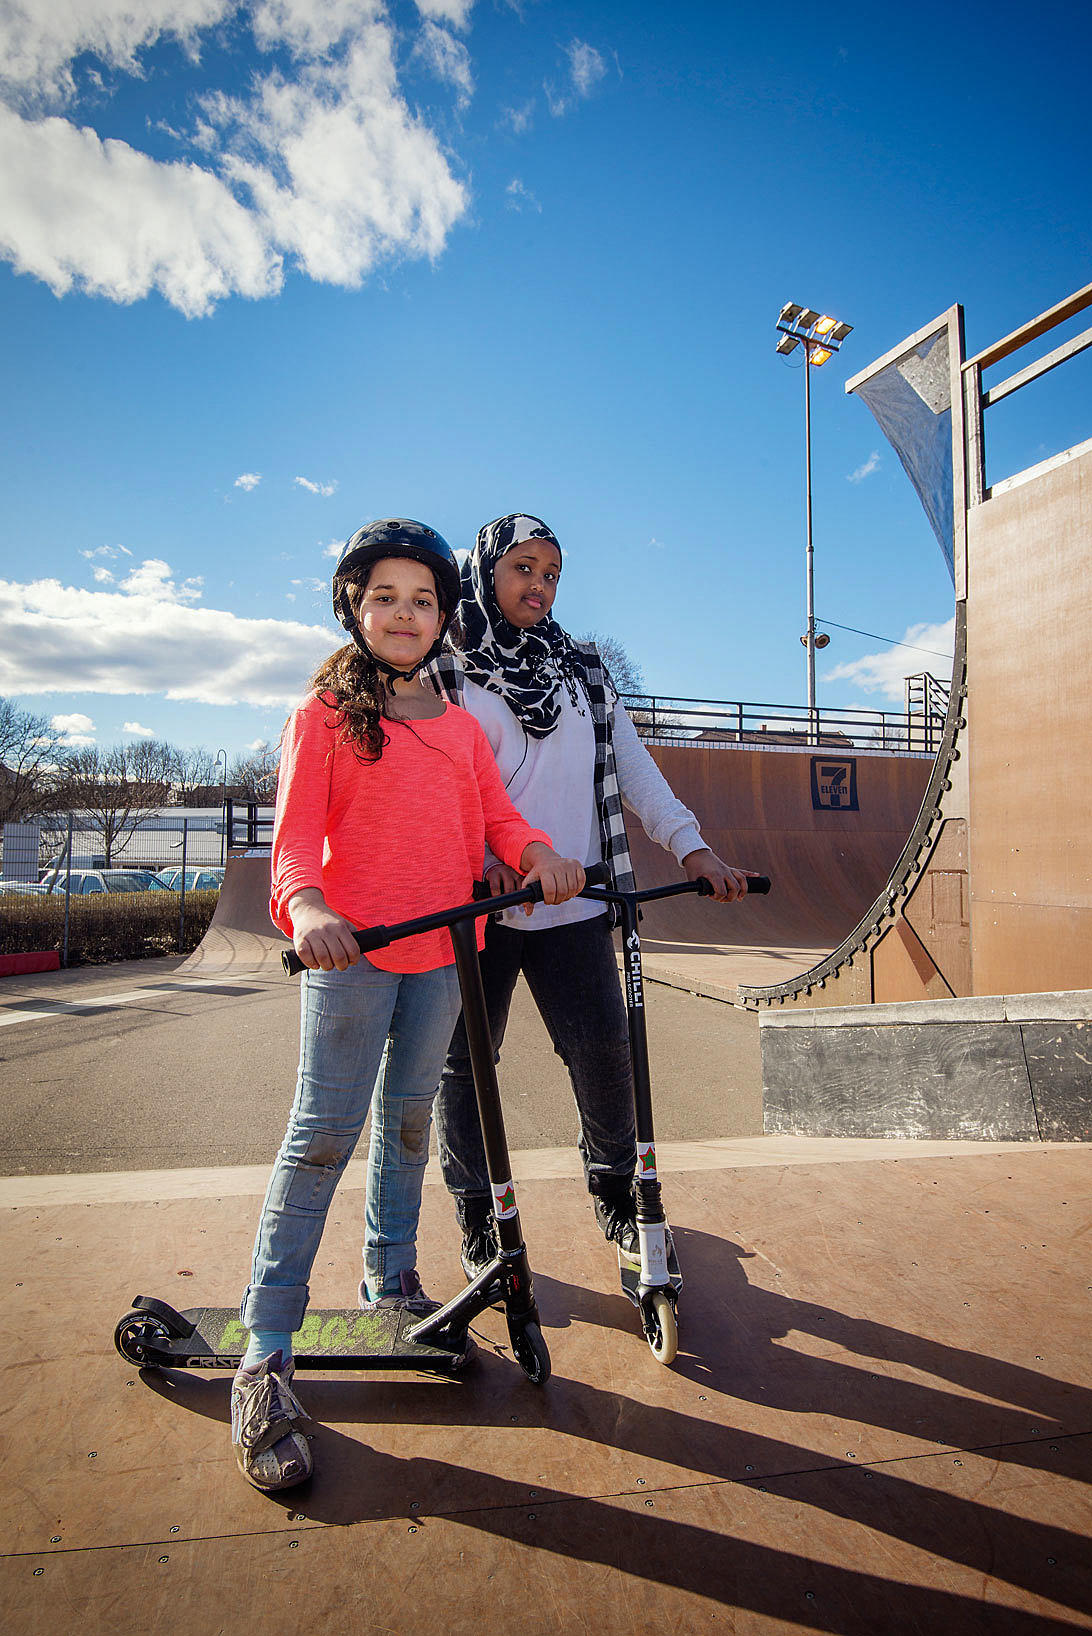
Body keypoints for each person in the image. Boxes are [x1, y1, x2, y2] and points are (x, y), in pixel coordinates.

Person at [231, 518, 585, 1493]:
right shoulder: (324, 714)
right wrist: (306, 907)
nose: (403, 612)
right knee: (321, 1137)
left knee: (412, 1126)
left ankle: (389, 1279)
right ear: (354, 605)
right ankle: (265, 1355)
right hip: (354, 957)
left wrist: (536, 853)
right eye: (383, 595)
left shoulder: (462, 727)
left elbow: (500, 821)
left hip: (445, 959)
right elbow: (296, 843)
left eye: (421, 598)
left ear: (442, 615)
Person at [428, 513, 753, 1283]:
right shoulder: (445, 672)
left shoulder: (581, 670)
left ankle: (617, 1194)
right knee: (468, 1063)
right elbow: (435, 788)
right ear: (485, 572)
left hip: (575, 900)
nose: (538, 584)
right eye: (523, 568)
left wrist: (692, 846)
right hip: (481, 906)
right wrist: (484, 860)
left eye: (551, 574)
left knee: (605, 1050)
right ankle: (479, 1211)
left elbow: (634, 768)